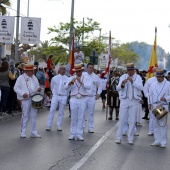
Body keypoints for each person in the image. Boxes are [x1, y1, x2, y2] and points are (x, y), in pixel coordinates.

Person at [115, 63, 143, 145]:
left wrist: (132, 82)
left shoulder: (138, 77)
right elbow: (118, 88)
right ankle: (118, 138)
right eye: (128, 70)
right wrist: (122, 84)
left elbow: (141, 87)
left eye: (131, 70)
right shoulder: (123, 76)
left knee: (132, 120)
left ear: (134, 70)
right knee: (122, 119)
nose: (129, 72)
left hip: (134, 100)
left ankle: (130, 138)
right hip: (124, 100)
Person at [64, 64, 91, 141]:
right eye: (77, 71)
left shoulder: (86, 77)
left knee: (81, 117)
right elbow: (65, 88)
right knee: (73, 117)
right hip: (73, 98)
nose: (78, 72)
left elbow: (89, 87)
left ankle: (79, 134)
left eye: (79, 71)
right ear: (75, 71)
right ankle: (72, 134)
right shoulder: (71, 78)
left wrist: (81, 82)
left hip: (82, 98)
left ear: (82, 71)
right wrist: (69, 84)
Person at [14, 64, 42, 138]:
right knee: (25, 115)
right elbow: (16, 88)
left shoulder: (34, 77)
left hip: (34, 98)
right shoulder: (20, 78)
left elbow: (37, 85)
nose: (32, 72)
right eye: (31, 70)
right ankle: (23, 132)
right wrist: (23, 93)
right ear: (27, 71)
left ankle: (34, 132)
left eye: (33, 70)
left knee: (34, 116)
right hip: (25, 99)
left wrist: (39, 88)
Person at [148, 68, 170, 148]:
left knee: (162, 124)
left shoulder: (168, 84)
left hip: (163, 105)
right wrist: (149, 103)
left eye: (160, 77)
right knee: (155, 124)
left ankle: (163, 141)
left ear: (163, 76)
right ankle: (157, 140)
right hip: (154, 105)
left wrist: (166, 98)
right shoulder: (153, 84)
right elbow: (150, 95)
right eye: (157, 76)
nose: (158, 78)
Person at [46, 66, 69, 131]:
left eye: (64, 69)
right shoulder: (54, 78)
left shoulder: (67, 78)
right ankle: (48, 125)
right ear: (59, 70)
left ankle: (59, 125)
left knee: (61, 111)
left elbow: (69, 88)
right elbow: (52, 86)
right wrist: (54, 92)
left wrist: (65, 93)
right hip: (56, 95)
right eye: (62, 69)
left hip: (63, 96)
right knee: (52, 110)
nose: (63, 70)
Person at [83, 62, 102, 133]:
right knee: (83, 112)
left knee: (91, 113)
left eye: (92, 68)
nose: (91, 69)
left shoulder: (95, 77)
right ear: (87, 68)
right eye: (90, 67)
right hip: (84, 96)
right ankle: (82, 126)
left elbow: (100, 85)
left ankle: (90, 127)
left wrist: (98, 93)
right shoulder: (83, 75)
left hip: (91, 97)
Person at [143, 67, 157, 136]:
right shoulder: (150, 80)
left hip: (160, 103)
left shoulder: (165, 81)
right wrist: (147, 95)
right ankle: (151, 130)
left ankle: (157, 130)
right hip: (152, 102)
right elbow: (145, 88)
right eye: (154, 71)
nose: (156, 72)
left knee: (159, 117)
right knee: (152, 117)